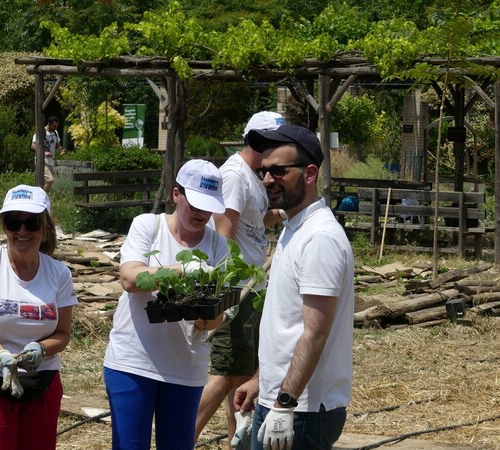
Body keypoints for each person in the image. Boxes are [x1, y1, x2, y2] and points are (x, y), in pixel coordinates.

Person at [234, 125, 355, 450]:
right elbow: (287, 325)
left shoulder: (320, 238)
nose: (267, 180)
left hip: (303, 409)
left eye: (279, 171)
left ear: (310, 173)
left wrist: (284, 404)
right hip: (282, 400)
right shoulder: (294, 228)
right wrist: (262, 382)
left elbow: (315, 332)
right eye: (263, 171)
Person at [103, 159, 230, 450]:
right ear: (176, 194)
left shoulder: (217, 245)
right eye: (194, 203)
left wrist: (205, 317)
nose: (200, 213)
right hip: (133, 362)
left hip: (185, 367)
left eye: (207, 206)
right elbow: (130, 279)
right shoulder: (148, 226)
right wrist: (181, 270)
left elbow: (217, 318)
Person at [0, 184, 78, 450]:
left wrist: (40, 348)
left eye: (32, 223)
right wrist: (2, 356)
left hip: (43, 381)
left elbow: (63, 334)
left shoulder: (59, 273)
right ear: (4, 226)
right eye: (14, 222)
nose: (22, 231)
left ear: (44, 227)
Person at [195, 111, 287, 448]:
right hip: (237, 288)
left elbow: (253, 223)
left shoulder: (252, 176)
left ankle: (239, 441)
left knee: (242, 372)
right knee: (226, 371)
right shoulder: (234, 176)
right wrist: (228, 288)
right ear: (260, 142)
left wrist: (285, 213)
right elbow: (224, 230)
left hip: (250, 286)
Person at [31, 116, 65, 193]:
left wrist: (61, 151)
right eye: (54, 126)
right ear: (49, 124)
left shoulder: (55, 133)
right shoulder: (41, 132)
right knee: (50, 180)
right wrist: (43, 152)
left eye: (57, 126)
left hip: (51, 161)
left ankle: (40, 198)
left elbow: (58, 145)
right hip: (42, 161)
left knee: (44, 183)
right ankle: (43, 198)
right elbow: (33, 146)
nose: (56, 128)